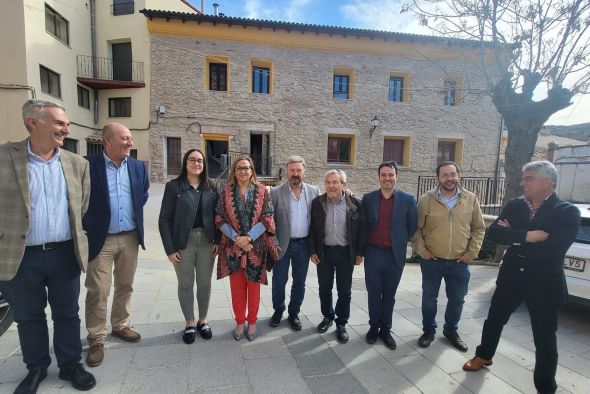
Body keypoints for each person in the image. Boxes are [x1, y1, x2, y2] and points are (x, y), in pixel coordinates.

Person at [0, 99, 96, 393]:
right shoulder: (5, 157)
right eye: (58, 123)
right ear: (32, 122)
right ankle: (37, 367)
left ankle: (69, 364)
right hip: (20, 255)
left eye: (66, 124)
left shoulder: (77, 164)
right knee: (28, 316)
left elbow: (81, 207)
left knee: (67, 312)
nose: (66, 129)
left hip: (65, 253)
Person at [463, 161, 580, 394]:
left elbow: (554, 249)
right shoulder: (515, 205)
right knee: (494, 319)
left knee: (545, 337)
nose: (522, 182)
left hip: (544, 283)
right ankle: (484, 355)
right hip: (511, 278)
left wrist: (514, 237)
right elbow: (495, 233)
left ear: (548, 181)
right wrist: (529, 236)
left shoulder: (567, 211)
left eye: (529, 178)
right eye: (523, 177)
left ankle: (546, 386)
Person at [83, 123, 149, 367]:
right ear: (107, 140)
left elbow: (142, 194)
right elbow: (79, 197)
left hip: (130, 237)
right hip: (101, 238)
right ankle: (96, 338)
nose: (129, 143)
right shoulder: (88, 165)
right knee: (98, 289)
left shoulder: (137, 166)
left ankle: (120, 324)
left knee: (125, 285)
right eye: (124, 138)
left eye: (131, 138)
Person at [412, 161, 485, 352]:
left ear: (458, 176)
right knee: (429, 298)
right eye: (444, 175)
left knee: (458, 299)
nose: (449, 178)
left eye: (453, 174)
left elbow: (478, 229)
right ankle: (428, 331)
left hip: (460, 262)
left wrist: (471, 253)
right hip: (432, 261)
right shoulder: (426, 200)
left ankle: (451, 330)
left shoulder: (471, 199)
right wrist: (423, 251)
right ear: (437, 178)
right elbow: (416, 230)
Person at [159, 149, 220, 344]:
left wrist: (217, 240)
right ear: (185, 163)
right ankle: (190, 323)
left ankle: (203, 320)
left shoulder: (212, 187)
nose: (196, 163)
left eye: (200, 160)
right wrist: (170, 249)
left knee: (204, 283)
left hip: (206, 243)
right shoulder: (174, 187)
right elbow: (164, 220)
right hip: (183, 243)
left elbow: (219, 217)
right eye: (192, 160)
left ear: (204, 164)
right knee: (185, 283)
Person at [215, 155, 279, 341]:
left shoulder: (261, 191)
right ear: (234, 172)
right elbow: (219, 218)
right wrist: (237, 238)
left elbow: (267, 216)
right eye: (239, 168)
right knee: (237, 289)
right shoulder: (226, 192)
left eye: (246, 168)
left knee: (254, 287)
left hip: (255, 248)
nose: (243, 171)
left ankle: (252, 323)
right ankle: (239, 322)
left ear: (252, 171)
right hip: (233, 248)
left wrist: (249, 237)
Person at [359, 161, 417, 349]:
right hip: (374, 253)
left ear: (396, 176)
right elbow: (363, 226)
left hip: (394, 255)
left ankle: (386, 330)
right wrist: (360, 252)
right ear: (379, 177)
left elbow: (412, 226)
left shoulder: (408, 200)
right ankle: (373, 328)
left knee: (390, 295)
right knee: (374, 294)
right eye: (384, 175)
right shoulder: (368, 199)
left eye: (391, 175)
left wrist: (399, 241)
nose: (387, 178)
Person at [309, 170, 362, 343]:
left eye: (335, 182)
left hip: (346, 253)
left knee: (344, 291)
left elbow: (361, 230)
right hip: (324, 252)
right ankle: (327, 317)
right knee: (324, 288)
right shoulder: (318, 202)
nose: (331, 186)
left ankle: (341, 323)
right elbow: (312, 229)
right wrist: (313, 251)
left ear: (343, 185)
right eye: (328, 182)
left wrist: (359, 252)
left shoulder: (354, 203)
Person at [270, 156, 320, 330]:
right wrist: (273, 242)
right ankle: (278, 310)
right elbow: (270, 220)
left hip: (304, 245)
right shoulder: (276, 192)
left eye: (299, 170)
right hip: (282, 244)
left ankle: (294, 313)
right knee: (279, 280)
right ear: (287, 171)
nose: (295, 174)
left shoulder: (314, 191)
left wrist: (347, 192)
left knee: (299, 281)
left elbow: (320, 216)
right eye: (292, 170)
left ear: (304, 171)